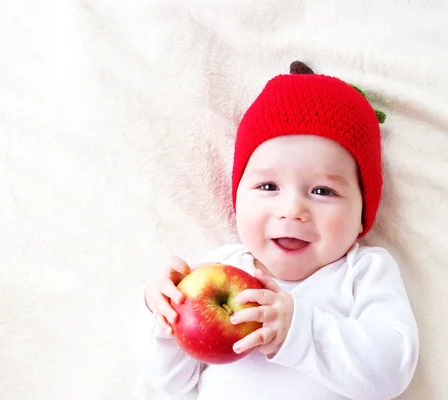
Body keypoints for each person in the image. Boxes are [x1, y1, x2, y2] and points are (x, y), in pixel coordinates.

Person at [141, 61, 419, 400]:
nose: (292, 211)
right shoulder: (221, 269)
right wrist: (169, 322)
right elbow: (170, 384)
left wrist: (299, 333)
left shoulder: (363, 272)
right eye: (268, 186)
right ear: (238, 197)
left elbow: (391, 373)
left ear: (363, 213)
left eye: (323, 191)